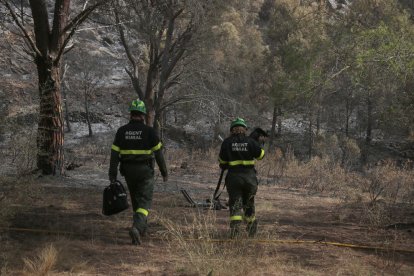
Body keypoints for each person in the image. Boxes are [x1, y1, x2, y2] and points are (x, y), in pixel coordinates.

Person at [109, 99, 168, 245]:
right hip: (145, 172)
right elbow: (159, 154)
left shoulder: (122, 131)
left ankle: (142, 229)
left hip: (128, 171)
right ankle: (136, 227)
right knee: (145, 202)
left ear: (131, 114)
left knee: (136, 200)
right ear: (143, 115)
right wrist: (164, 172)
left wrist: (112, 174)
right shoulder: (149, 132)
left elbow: (114, 154)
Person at [218, 118, 265, 238]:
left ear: (232, 129)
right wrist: (260, 144)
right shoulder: (251, 141)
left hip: (234, 178)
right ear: (245, 129)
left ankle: (235, 232)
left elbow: (222, 162)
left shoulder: (227, 142)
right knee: (249, 203)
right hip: (250, 178)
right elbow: (260, 156)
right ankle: (251, 231)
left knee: (235, 204)